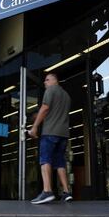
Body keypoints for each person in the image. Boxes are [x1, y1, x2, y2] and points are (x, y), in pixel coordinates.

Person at [28, 73, 73, 204]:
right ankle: (66, 192)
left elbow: (45, 108)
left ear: (55, 80)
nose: (45, 83)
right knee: (60, 162)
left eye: (47, 80)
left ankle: (47, 191)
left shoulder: (51, 90)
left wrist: (35, 126)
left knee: (45, 159)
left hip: (50, 132)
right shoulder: (66, 96)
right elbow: (55, 112)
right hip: (63, 134)